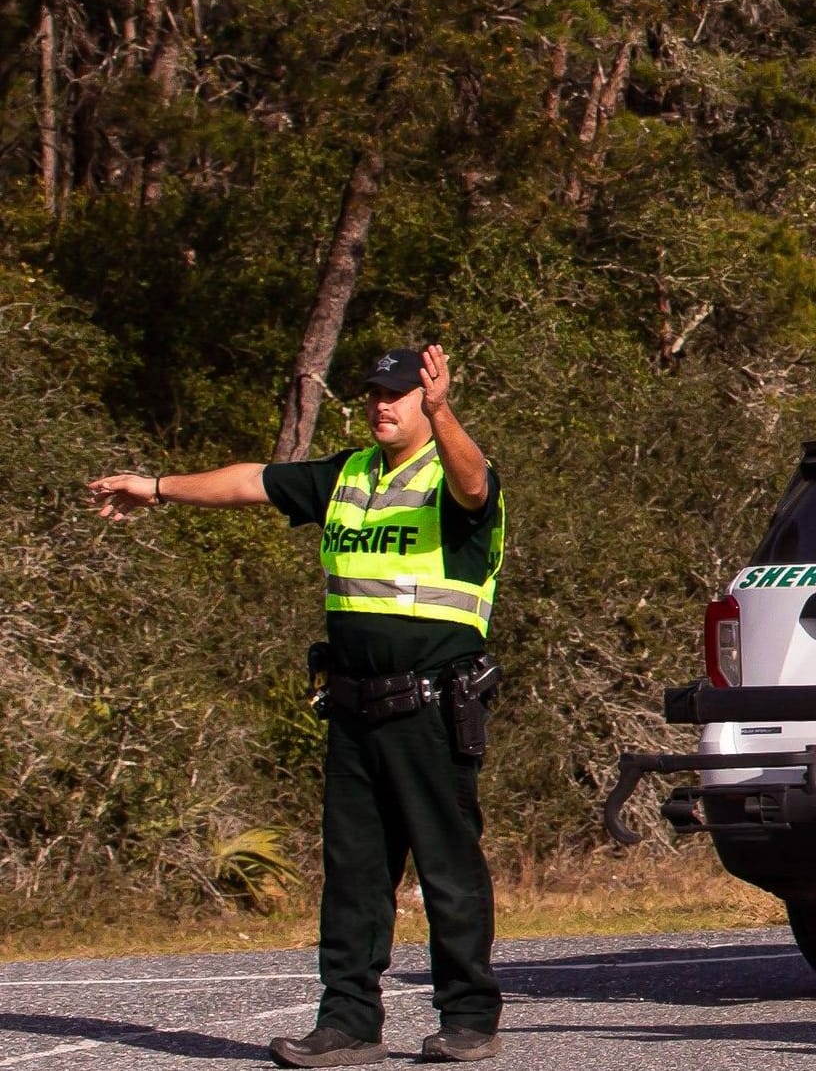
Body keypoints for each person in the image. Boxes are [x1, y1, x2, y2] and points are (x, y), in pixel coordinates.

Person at [88, 344, 506, 1067]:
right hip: (352, 707)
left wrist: (444, 415)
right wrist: (155, 487)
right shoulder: (346, 475)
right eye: (374, 393)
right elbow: (252, 480)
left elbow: (476, 489)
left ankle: (467, 1018)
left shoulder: (452, 469)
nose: (382, 404)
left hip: (431, 707)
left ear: (423, 400)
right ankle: (347, 1022)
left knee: (447, 869)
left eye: (398, 394)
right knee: (353, 874)